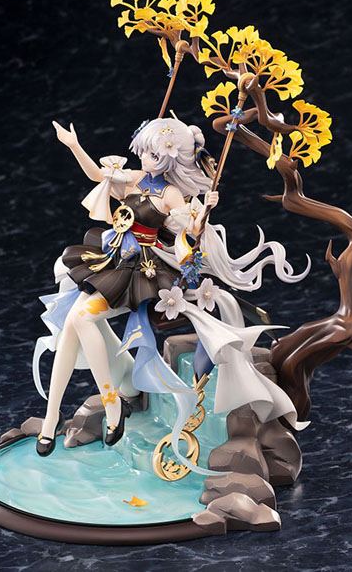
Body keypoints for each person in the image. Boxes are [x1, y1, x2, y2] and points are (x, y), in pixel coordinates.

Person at [32, 116, 311, 471]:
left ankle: (110, 401)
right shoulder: (134, 178)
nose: (144, 158)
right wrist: (74, 145)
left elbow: (189, 230)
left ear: (168, 158)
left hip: (139, 269)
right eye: (144, 152)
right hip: (110, 257)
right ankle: (52, 415)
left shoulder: (171, 194)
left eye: (152, 154)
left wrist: (204, 210)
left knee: (81, 319)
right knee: (73, 324)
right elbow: (96, 175)